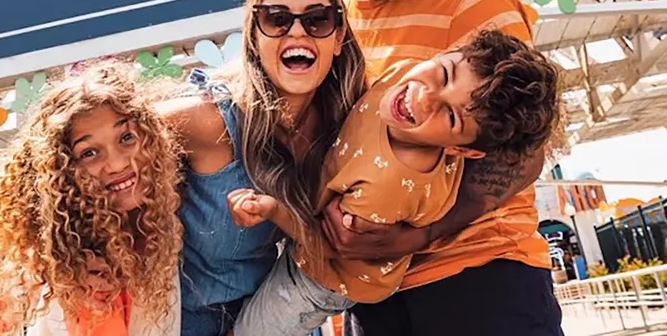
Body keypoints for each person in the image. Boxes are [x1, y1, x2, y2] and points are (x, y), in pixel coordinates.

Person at [298, 0, 566, 334]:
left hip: (485, 281)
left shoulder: (474, 0)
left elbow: (526, 150)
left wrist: (418, 237)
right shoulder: (334, 21)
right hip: (378, 296)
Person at [228, 29, 563, 335]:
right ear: (447, 51)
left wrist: (275, 210)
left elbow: (332, 245)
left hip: (323, 276)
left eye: (449, 116)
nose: (424, 97)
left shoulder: (388, 186)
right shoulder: (401, 76)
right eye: (444, 73)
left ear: (461, 149)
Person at [159, 0, 367, 336]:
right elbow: (106, 139)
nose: (298, 32)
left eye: (317, 19)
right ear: (255, 38)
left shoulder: (347, 132)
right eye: (276, 19)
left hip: (278, 321)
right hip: (185, 323)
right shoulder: (210, 121)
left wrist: (278, 212)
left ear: (338, 39)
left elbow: (341, 255)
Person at [0, 61, 184, 336]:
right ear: (64, 171)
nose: (116, 163)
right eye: (89, 153)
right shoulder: (82, 269)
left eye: (126, 138)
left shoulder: (160, 220)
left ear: (151, 139)